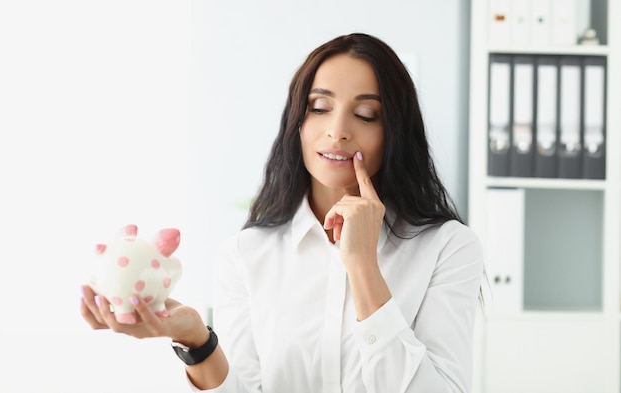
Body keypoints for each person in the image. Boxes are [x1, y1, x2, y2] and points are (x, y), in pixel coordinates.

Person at [81, 32, 484, 392]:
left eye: (365, 115)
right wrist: (196, 340)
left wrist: (363, 266)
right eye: (320, 107)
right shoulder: (244, 255)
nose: (338, 129)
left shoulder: (448, 248)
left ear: (395, 130)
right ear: (297, 123)